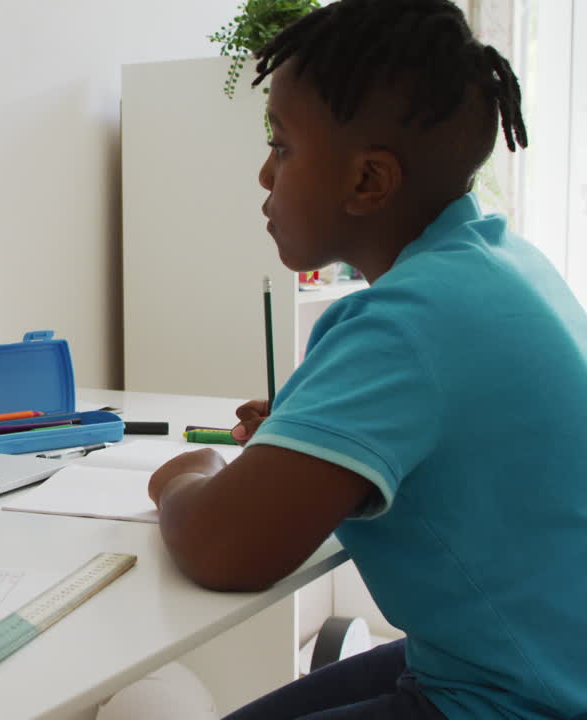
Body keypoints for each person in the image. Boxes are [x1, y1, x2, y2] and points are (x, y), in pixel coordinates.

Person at [145, 1, 587, 718]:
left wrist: (183, 477)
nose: (264, 174)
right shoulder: (499, 264)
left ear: (367, 183)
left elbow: (225, 549)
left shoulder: (405, 320)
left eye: (281, 147)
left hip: (522, 699)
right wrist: (305, 439)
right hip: (530, 659)